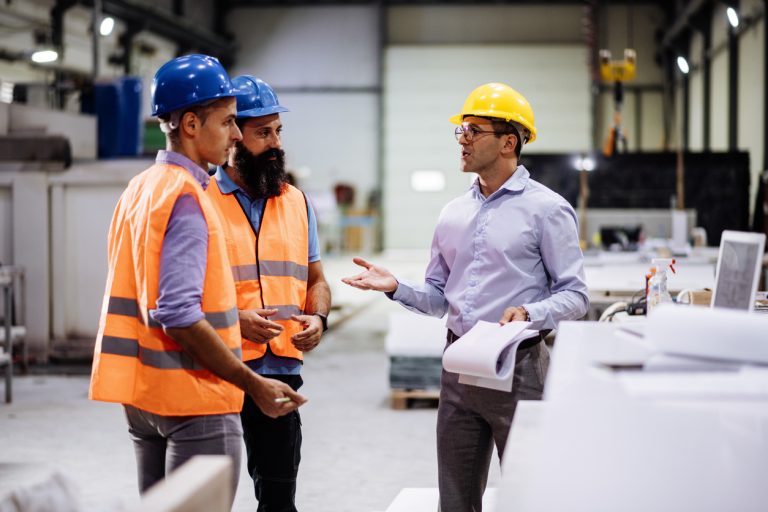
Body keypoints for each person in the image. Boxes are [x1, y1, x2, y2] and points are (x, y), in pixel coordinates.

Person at [342, 82, 588, 512]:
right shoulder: (453, 213)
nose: (464, 140)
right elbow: (439, 297)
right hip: (458, 366)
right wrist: (396, 287)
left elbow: (576, 295)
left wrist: (531, 311)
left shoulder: (547, 210)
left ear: (509, 141)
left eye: (475, 130)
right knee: (455, 501)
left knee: (530, 495)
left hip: (519, 366)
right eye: (462, 130)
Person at [88, 55, 306, 500]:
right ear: (190, 124)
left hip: (144, 397)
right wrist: (253, 384)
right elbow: (178, 313)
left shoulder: (142, 187)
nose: (234, 135)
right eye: (227, 122)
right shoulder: (188, 195)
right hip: (194, 396)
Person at [207, 75, 331, 512]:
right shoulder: (200, 200)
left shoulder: (295, 201)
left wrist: (318, 319)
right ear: (234, 136)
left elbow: (316, 280)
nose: (276, 142)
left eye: (278, 130)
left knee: (279, 496)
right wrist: (234, 319)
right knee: (207, 494)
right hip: (216, 366)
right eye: (264, 133)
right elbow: (179, 297)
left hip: (280, 369)